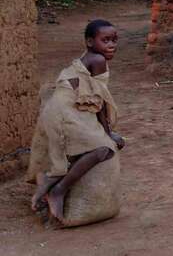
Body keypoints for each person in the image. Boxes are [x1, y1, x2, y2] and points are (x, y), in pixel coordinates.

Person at [28, 19, 125, 224]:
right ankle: (58, 190)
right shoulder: (98, 60)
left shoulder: (88, 57)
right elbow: (99, 102)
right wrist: (108, 134)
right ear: (90, 42)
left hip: (58, 110)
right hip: (63, 113)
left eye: (114, 40)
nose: (111, 45)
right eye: (105, 40)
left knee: (86, 147)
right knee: (103, 148)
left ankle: (50, 181)